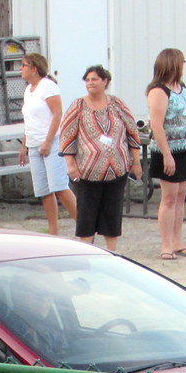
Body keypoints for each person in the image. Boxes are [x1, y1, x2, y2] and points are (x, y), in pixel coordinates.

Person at [59, 65, 142, 251]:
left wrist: (135, 161)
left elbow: (132, 132)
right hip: (88, 172)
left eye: (94, 79)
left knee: (112, 213)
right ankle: (87, 251)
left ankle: (111, 252)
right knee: (87, 215)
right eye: (87, 80)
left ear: (105, 81)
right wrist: (70, 164)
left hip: (117, 170)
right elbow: (66, 136)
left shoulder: (117, 104)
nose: (90, 83)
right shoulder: (78, 106)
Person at [147, 48, 186, 260]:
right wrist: (167, 154)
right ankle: (166, 244)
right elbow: (157, 125)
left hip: (185, 146)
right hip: (167, 149)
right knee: (168, 197)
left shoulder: (181, 88)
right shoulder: (158, 91)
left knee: (180, 197)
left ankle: (177, 240)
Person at [18, 53, 77, 234]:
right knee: (43, 190)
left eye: (24, 65)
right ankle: (53, 229)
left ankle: (83, 223)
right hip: (34, 143)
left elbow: (57, 114)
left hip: (51, 142)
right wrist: (24, 145)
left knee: (59, 186)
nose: (21, 69)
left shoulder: (48, 86)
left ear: (34, 69)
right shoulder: (29, 90)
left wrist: (48, 141)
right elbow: (30, 120)